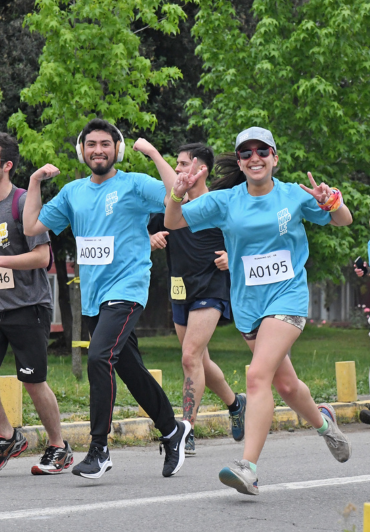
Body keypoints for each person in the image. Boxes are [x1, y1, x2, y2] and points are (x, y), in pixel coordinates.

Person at [164, 126, 353, 495]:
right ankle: (325, 424)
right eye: (246, 153)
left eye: (262, 151)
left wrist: (332, 201)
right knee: (285, 384)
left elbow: (342, 219)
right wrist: (177, 193)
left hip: (288, 297)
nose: (255, 158)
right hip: (249, 305)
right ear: (240, 161)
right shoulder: (226, 200)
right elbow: (173, 222)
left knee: (257, 377)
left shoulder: (294, 196)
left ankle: (247, 467)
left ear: (274, 158)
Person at [22, 118, 191, 480]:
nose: (98, 150)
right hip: (95, 297)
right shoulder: (73, 192)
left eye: (106, 144)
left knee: (99, 356)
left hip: (127, 289)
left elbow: (176, 196)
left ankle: (99, 449)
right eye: (92, 144)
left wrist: (154, 154)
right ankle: (172, 428)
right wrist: (35, 182)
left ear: (118, 149)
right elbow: (32, 226)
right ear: (82, 150)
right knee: (129, 369)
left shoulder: (133, 184)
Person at [139, 141, 246, 455]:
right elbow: (149, 227)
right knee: (200, 360)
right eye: (176, 164)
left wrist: (232, 256)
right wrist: (150, 238)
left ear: (202, 170)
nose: (178, 170)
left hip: (211, 286)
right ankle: (235, 403)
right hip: (180, 288)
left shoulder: (216, 203)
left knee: (189, 357)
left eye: (183, 164)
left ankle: (186, 430)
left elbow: (246, 236)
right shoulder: (174, 204)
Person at [0, 132, 73, 475]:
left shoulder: (20, 202)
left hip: (27, 305)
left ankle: (59, 445)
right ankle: (6, 435)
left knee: (32, 379)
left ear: (7, 165)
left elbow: (42, 257)